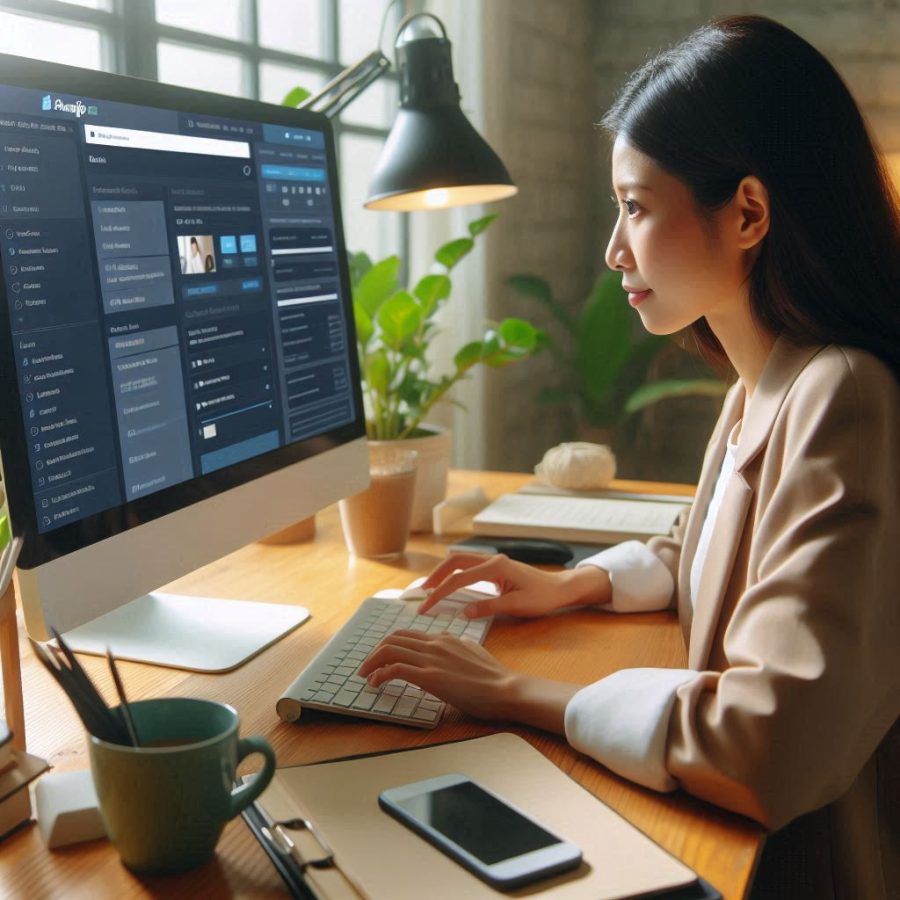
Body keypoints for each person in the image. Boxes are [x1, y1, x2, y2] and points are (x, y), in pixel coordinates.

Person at [359, 15, 900, 899]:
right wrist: (578, 583)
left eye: (636, 207)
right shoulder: (765, 385)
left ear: (750, 212)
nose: (614, 250)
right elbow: (725, 545)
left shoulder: (844, 394)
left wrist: (521, 693)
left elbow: (774, 743)